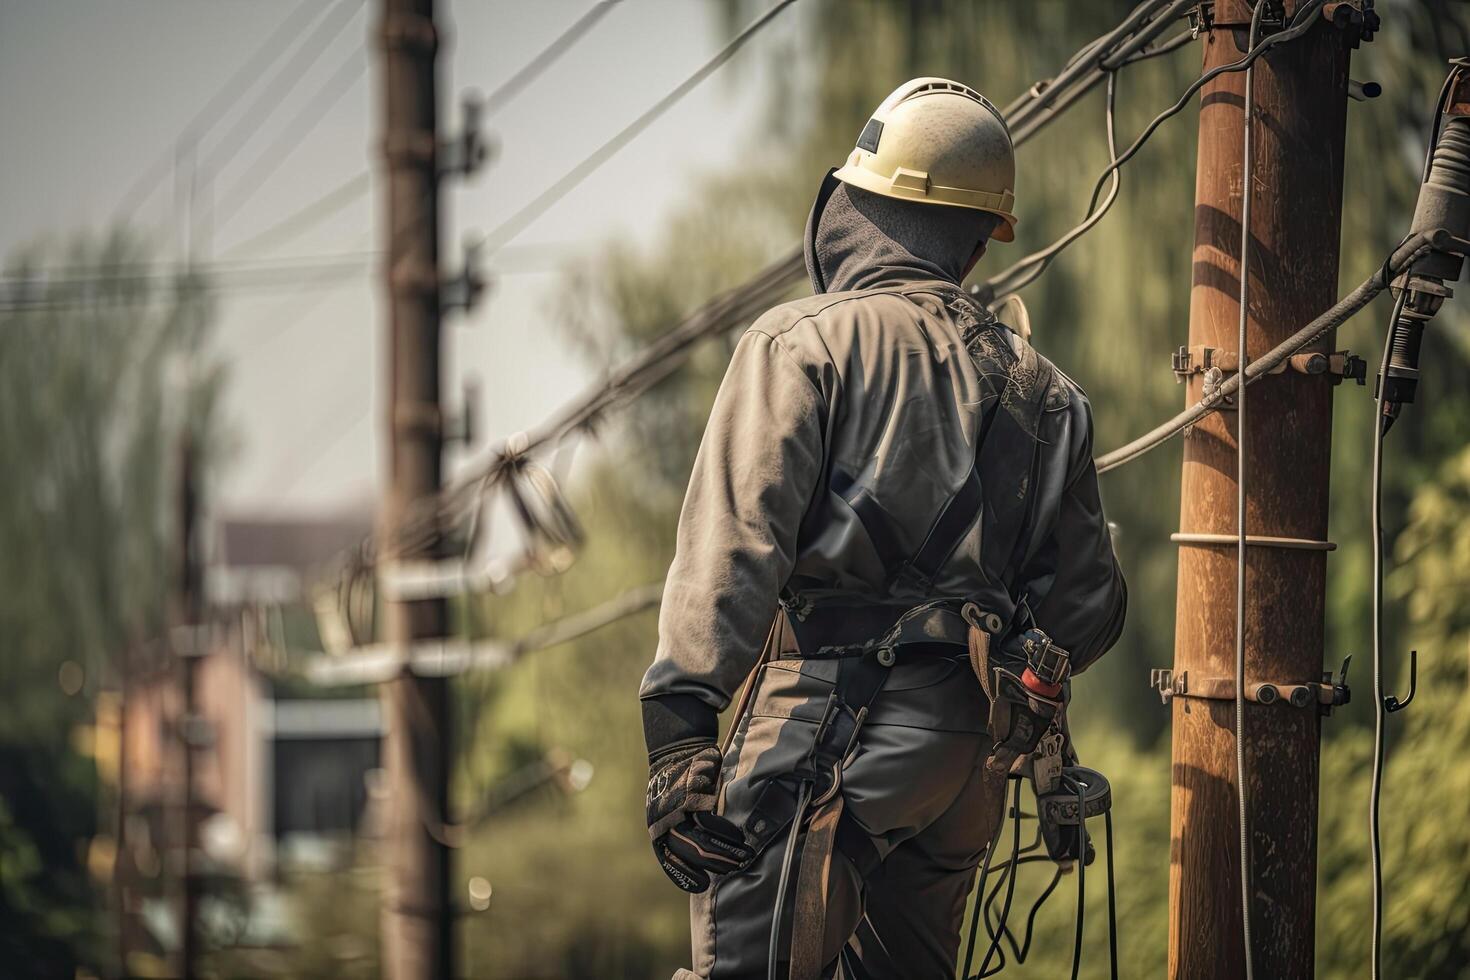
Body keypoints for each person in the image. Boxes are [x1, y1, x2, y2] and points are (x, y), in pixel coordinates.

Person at [639, 77, 1127, 980]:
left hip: (825, 735)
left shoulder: (803, 342)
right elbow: (1090, 600)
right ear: (980, 242)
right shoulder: (1044, 389)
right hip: (963, 762)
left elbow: (733, 549)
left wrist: (679, 735)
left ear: (857, 210)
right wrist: (1022, 658)